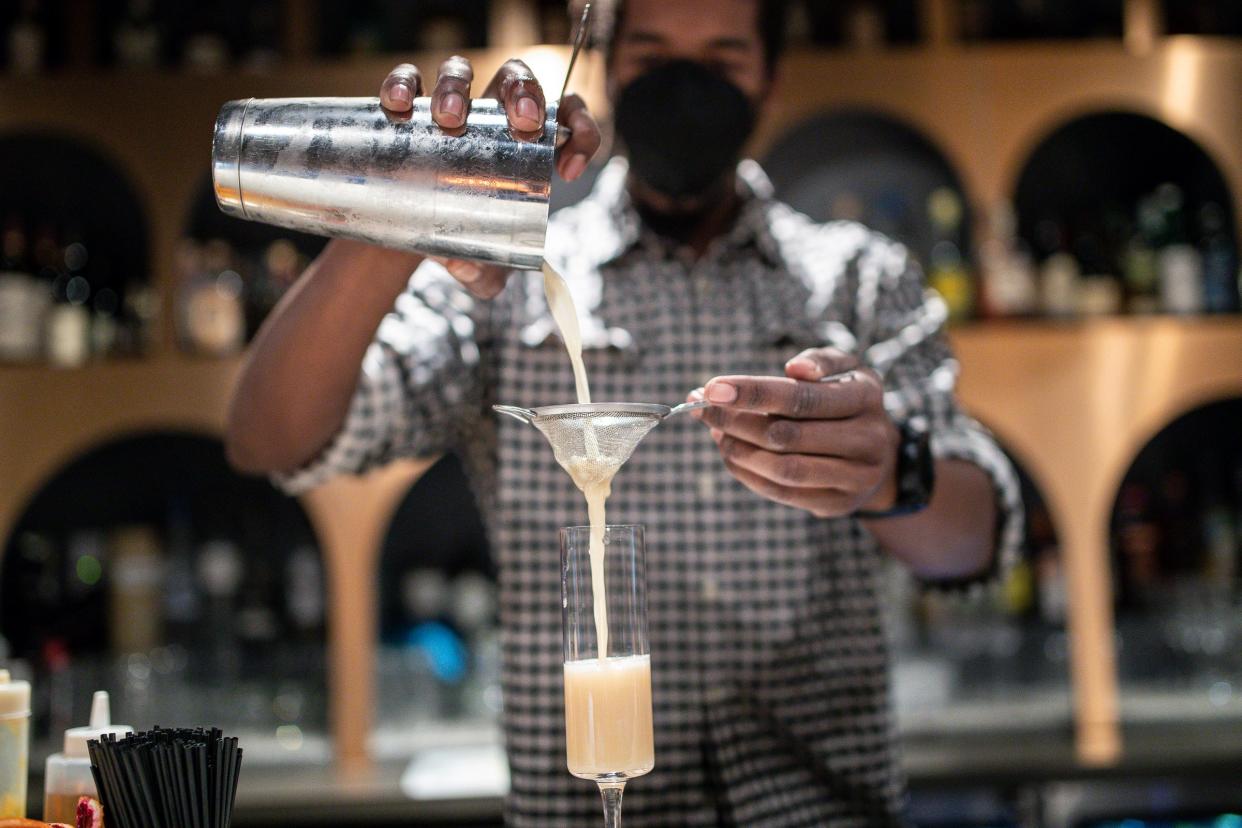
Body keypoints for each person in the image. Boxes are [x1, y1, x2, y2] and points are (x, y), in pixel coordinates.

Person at [226, 0, 1022, 824]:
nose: (685, 85)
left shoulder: (857, 280)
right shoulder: (509, 284)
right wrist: (400, 196)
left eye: (719, 57)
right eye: (652, 53)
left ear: (772, 81)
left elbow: (975, 543)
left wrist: (885, 468)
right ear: (605, 71)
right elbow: (273, 438)